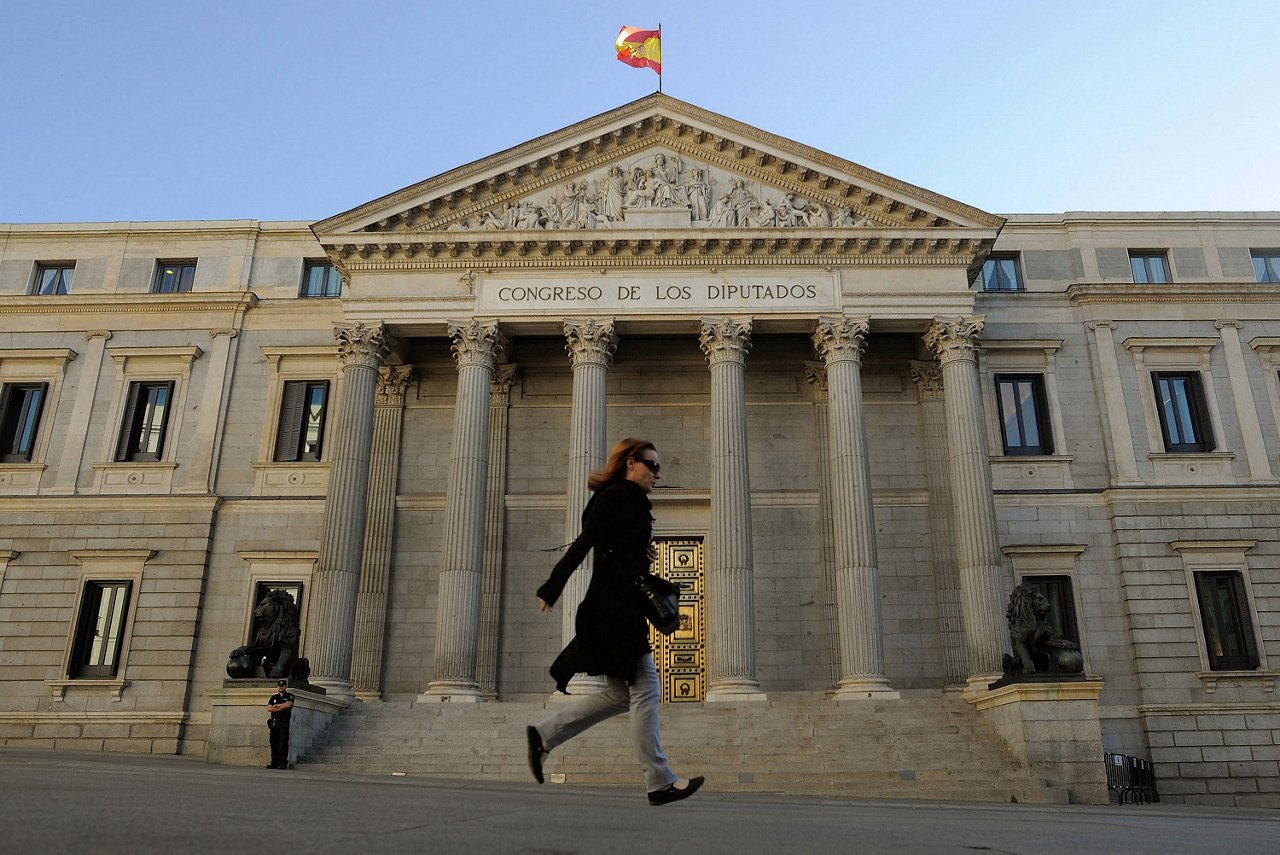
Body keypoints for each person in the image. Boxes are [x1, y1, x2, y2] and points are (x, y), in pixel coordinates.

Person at [526, 438, 704, 807]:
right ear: (630, 462)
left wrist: (640, 553)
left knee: (621, 695)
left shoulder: (630, 502)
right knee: (647, 689)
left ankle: (544, 735)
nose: (657, 473)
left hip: (617, 608)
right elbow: (585, 542)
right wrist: (553, 586)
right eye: (652, 465)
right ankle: (660, 780)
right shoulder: (616, 497)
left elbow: (615, 551)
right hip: (615, 611)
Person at [266, 679, 294, 769]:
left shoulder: (289, 696)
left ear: (286, 686)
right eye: (279, 686)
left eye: (282, 686)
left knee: (283, 742)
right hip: (274, 722)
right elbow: (269, 708)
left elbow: (288, 705)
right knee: (273, 742)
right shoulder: (274, 697)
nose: (281, 687)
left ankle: (282, 763)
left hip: (284, 721)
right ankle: (274, 762)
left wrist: (276, 706)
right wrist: (281, 706)